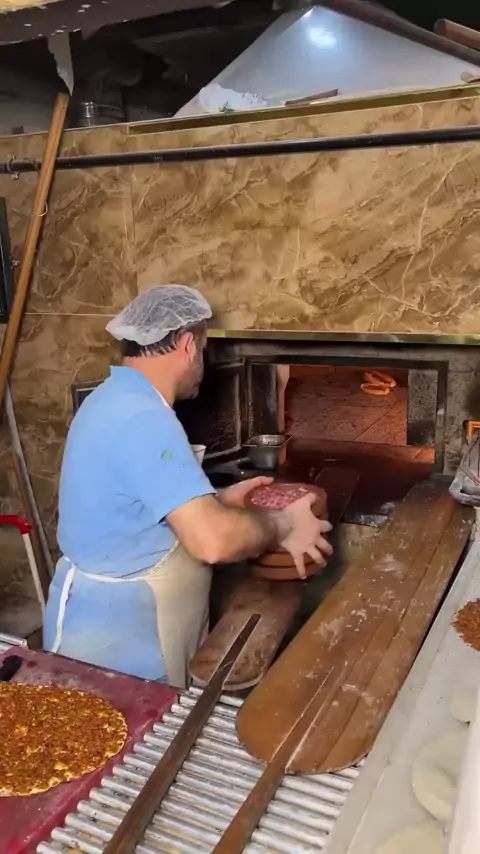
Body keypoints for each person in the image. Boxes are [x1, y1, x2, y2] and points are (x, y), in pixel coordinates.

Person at [43, 285, 332, 687]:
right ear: (187, 345)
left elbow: (139, 503)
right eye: (204, 349)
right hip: (120, 641)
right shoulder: (145, 419)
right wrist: (284, 524)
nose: (203, 362)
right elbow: (213, 543)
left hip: (114, 618)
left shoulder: (113, 397)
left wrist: (217, 501)